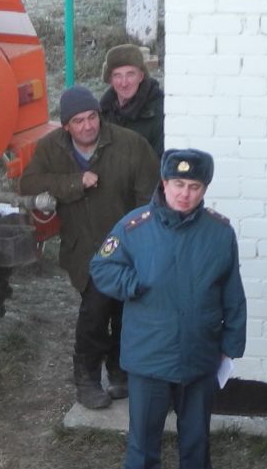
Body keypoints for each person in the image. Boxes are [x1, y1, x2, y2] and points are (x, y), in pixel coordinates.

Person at [88, 149, 248, 469]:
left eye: (194, 186)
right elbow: (102, 268)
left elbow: (233, 291)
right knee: (144, 437)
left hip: (199, 352)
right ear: (164, 183)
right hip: (149, 355)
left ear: (204, 189)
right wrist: (133, 284)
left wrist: (232, 343)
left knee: (196, 432)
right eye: (178, 184)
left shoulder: (220, 232)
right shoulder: (133, 227)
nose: (185, 194)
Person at [17, 85, 160, 410]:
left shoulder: (130, 145)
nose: (87, 126)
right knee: (94, 315)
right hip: (85, 249)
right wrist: (73, 183)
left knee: (126, 312)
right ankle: (87, 379)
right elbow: (29, 183)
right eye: (78, 121)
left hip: (127, 247)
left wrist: (141, 244)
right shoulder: (51, 148)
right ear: (66, 125)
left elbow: (149, 198)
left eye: (92, 117)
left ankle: (121, 372)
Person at [98, 43, 164, 156]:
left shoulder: (158, 111)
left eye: (130, 74)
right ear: (111, 80)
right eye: (117, 76)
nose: (124, 83)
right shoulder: (103, 112)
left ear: (141, 76)